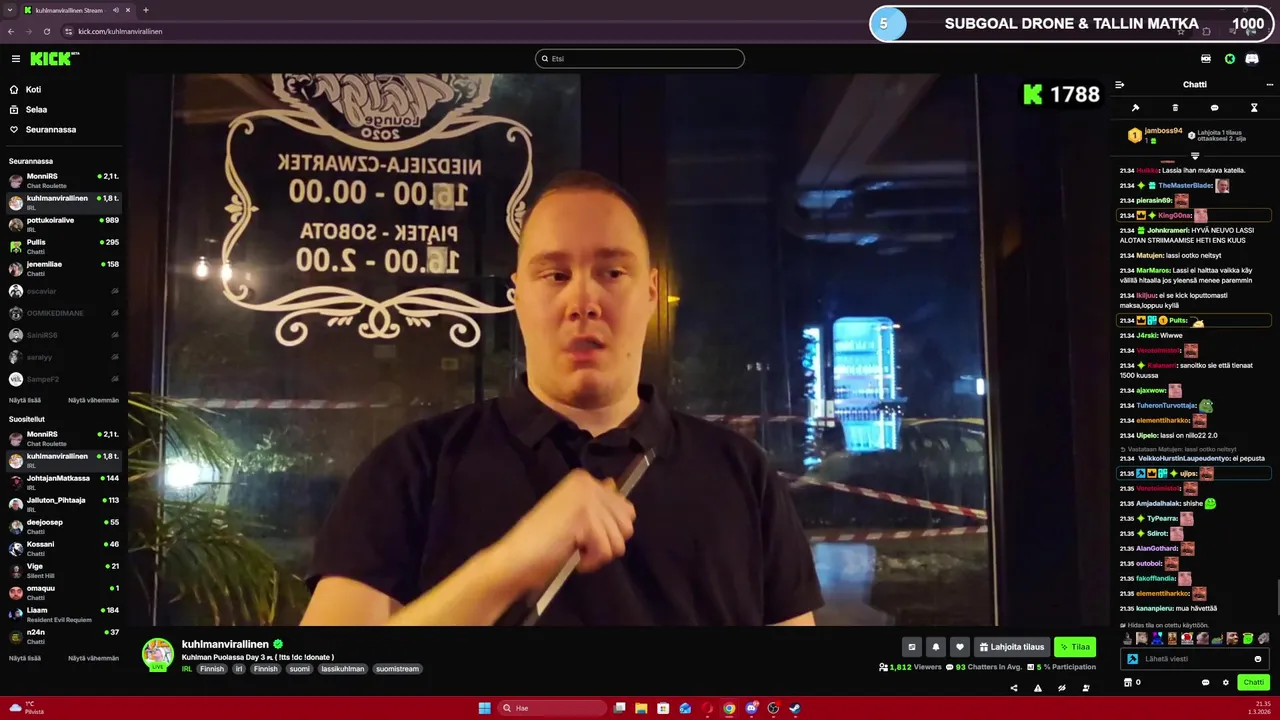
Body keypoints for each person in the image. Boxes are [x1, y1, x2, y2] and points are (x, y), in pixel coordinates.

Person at [302, 170, 823, 627]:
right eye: (554, 275)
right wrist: (505, 567)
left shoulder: (741, 475)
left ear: (650, 293)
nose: (582, 301)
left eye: (612, 273)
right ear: (518, 297)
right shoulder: (413, 468)